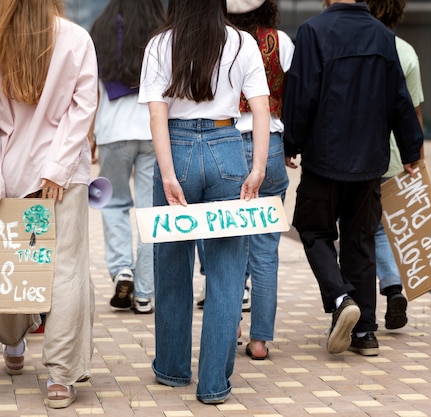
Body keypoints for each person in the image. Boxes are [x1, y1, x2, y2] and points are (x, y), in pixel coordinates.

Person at [0, 0, 97, 408]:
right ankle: (60, 376)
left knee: (15, 261)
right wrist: (57, 167)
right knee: (66, 269)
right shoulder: (76, 38)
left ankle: (12, 341)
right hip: (64, 178)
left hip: (11, 174)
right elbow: (83, 108)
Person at [138, 0, 270, 404]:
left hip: (175, 149)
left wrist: (167, 174)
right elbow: (261, 108)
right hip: (228, 147)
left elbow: (157, 115)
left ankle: (174, 369)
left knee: (172, 266)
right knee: (228, 271)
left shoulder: (160, 45)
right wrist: (258, 167)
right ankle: (213, 383)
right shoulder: (242, 42)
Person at [282, 0, 423, 357]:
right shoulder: (381, 35)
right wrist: (411, 150)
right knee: (360, 240)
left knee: (313, 231)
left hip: (324, 157)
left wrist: (292, 142)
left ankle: (342, 298)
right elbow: (399, 100)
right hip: (370, 161)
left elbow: (301, 92)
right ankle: (364, 334)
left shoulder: (313, 31)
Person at [227, 0, 294, 360]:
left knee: (227, 243)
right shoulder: (280, 40)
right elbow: (294, 95)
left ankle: (231, 323)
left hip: (226, 143)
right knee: (266, 248)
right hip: (270, 143)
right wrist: (291, 145)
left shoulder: (218, 38)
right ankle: (260, 341)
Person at [89, 0, 165, 314]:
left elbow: (89, 88)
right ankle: (145, 293)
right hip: (153, 131)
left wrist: (89, 135)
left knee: (112, 203)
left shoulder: (100, 29)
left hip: (111, 131)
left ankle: (122, 270)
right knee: (150, 213)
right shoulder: (161, 32)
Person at [365, 0, 424, 330]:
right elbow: (414, 114)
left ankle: (361, 302)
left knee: (364, 228)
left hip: (360, 155)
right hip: (397, 158)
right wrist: (418, 159)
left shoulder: (363, 44)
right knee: (382, 228)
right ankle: (392, 286)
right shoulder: (407, 52)